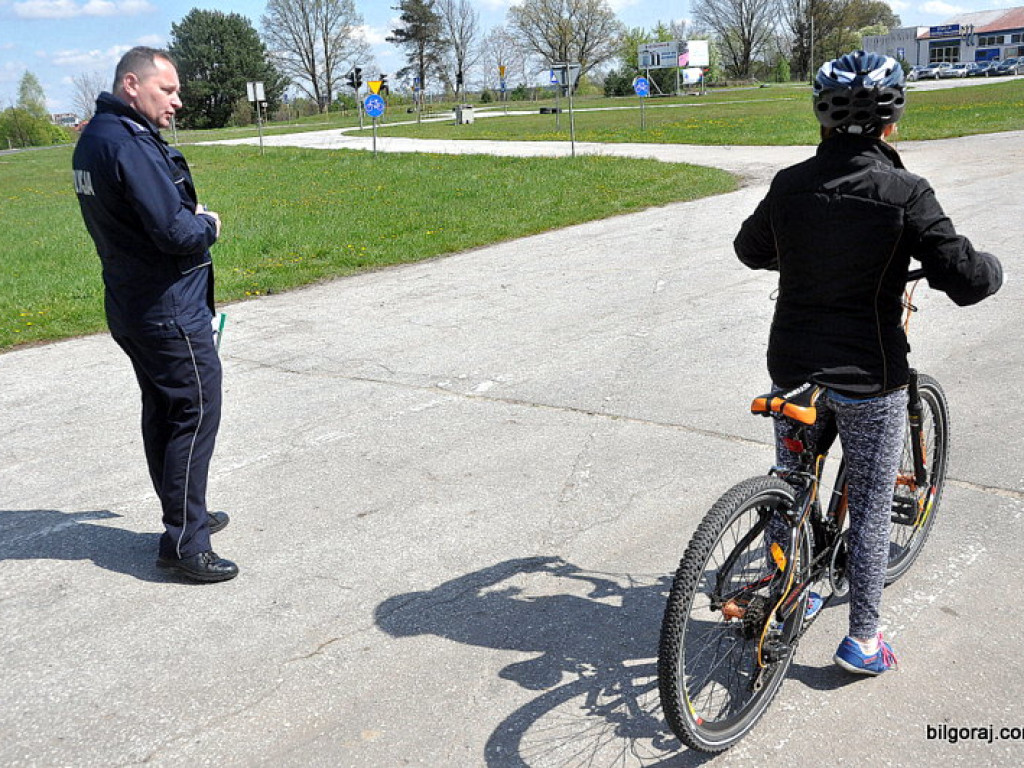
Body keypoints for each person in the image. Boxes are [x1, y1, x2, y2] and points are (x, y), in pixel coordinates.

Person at [734, 51, 1001, 674]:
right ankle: (862, 641)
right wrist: (994, 268)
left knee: (791, 480)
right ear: (891, 121)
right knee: (875, 498)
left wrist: (804, 256)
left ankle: (786, 587)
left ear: (822, 118)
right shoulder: (905, 192)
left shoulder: (789, 184)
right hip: (868, 374)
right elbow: (964, 278)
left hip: (794, 362)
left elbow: (751, 250)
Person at [72, 47, 238, 582]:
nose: (177, 101)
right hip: (168, 309)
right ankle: (187, 543)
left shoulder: (96, 138)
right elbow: (174, 232)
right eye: (167, 90)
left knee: (165, 412)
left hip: (133, 302)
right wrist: (208, 223)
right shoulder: (126, 144)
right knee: (193, 412)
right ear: (131, 85)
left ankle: (182, 518)